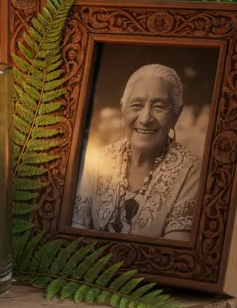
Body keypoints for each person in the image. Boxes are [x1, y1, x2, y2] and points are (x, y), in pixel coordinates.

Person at [71, 64, 200, 241]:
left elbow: (174, 251)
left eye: (159, 107)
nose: (145, 119)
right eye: (136, 105)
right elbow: (75, 231)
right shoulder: (99, 160)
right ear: (123, 109)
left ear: (176, 114)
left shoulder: (191, 171)